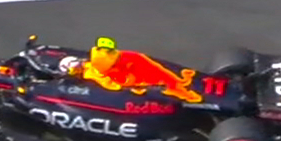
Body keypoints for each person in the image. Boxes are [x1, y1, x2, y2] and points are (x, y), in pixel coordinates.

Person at [64, 38, 202, 102]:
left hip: (155, 80)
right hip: (138, 93)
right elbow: (118, 89)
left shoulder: (127, 58)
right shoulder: (99, 79)